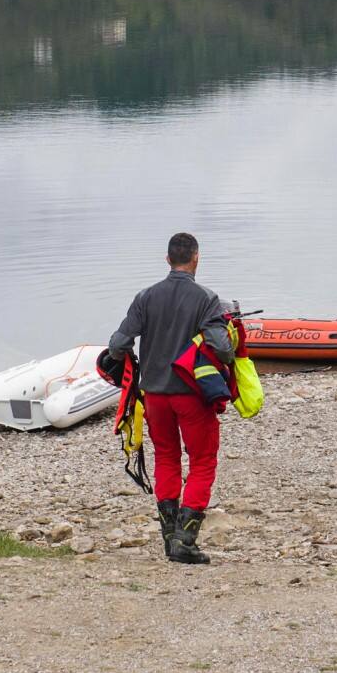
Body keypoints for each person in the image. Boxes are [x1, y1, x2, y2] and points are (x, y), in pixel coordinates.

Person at [107, 231, 233, 565]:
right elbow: (223, 348)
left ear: (167, 260)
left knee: (166, 458)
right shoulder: (207, 299)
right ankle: (185, 541)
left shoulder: (145, 297)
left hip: (155, 396)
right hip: (191, 395)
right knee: (203, 461)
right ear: (196, 258)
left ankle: (168, 538)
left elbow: (119, 345)